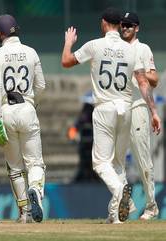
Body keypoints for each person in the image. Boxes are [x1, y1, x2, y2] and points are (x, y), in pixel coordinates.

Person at [61, 7, 161, 224]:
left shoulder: (96, 45)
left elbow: (66, 61)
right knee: (117, 163)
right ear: (119, 25)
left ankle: (124, 193)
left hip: (106, 107)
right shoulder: (130, 50)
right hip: (125, 108)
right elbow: (144, 82)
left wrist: (69, 42)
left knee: (100, 162)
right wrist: (155, 111)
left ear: (104, 23)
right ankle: (115, 215)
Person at [0, 14, 46, 223]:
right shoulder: (31, 52)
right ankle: (36, 190)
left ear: (0, 34)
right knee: (35, 163)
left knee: (14, 167)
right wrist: (33, 103)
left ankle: (24, 212)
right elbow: (41, 86)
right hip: (27, 108)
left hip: (6, 111)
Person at [121, 12, 160, 220]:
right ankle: (123, 202)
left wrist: (140, 73)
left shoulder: (142, 49)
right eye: (123, 25)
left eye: (129, 25)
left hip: (137, 107)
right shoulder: (116, 47)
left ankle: (151, 205)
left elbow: (155, 78)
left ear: (137, 28)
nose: (125, 28)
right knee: (110, 159)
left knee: (142, 159)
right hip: (117, 108)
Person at [69, 91, 99, 182]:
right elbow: (73, 130)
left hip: (94, 146)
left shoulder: (97, 117)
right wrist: (74, 137)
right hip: (84, 146)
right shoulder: (82, 117)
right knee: (84, 163)